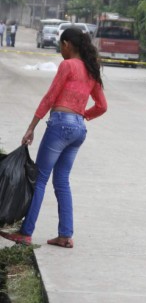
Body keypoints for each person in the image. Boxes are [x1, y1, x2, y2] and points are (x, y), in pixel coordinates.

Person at [0, 28, 108, 248]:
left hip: (60, 125)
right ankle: (65, 234)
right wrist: (82, 116)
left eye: (61, 46)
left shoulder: (67, 65)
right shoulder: (91, 69)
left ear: (67, 44)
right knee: (62, 181)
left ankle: (26, 232)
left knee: (39, 179)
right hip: (78, 130)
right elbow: (102, 106)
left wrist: (31, 127)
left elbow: (50, 97)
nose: (60, 50)